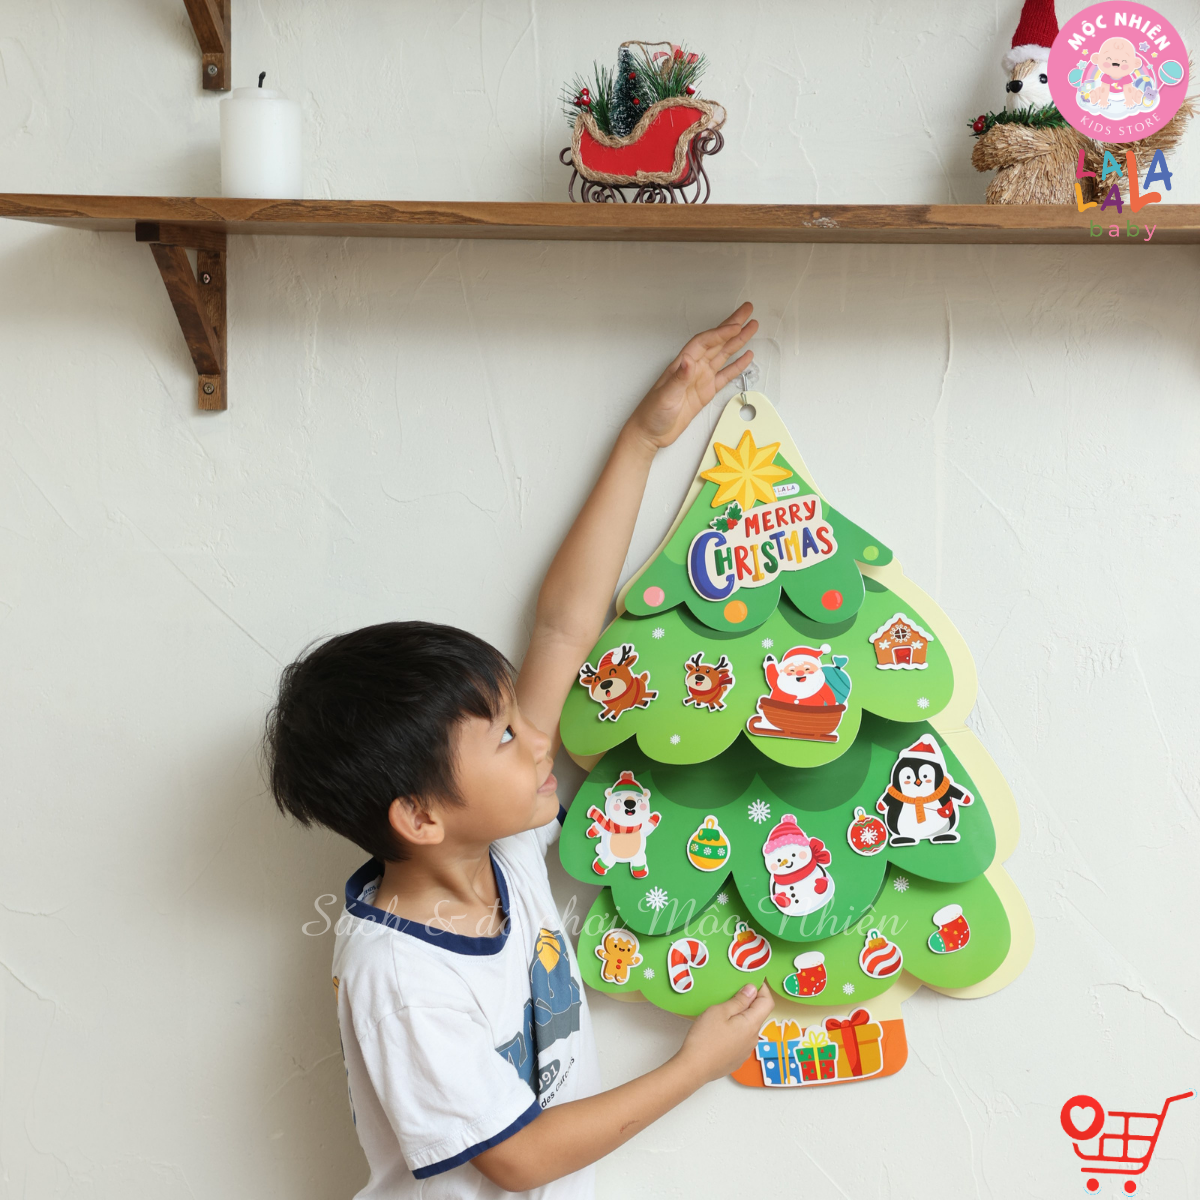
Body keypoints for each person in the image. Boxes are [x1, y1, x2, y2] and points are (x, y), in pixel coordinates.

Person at [265, 303, 774, 1199]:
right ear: (421, 816)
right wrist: (694, 1068)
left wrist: (643, 442)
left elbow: (564, 628)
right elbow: (519, 1159)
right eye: (504, 735)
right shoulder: (398, 974)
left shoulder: (498, 847)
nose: (539, 740)